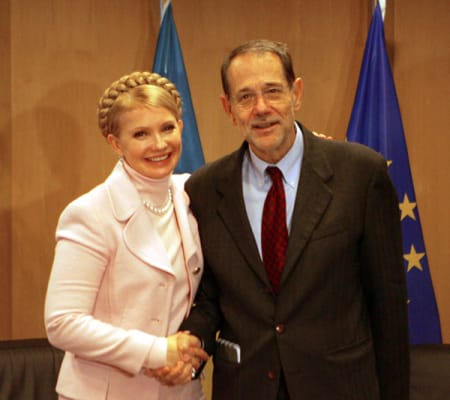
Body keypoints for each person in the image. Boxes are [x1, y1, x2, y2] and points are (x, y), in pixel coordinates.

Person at [168, 39, 409, 399]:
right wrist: (191, 342)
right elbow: (210, 296)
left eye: (273, 91)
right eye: (245, 97)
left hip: (340, 387)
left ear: (296, 94)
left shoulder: (360, 174)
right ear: (229, 108)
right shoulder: (204, 189)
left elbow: (388, 305)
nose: (261, 108)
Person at [44, 71, 208, 400]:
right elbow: (63, 323)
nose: (159, 144)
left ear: (181, 127)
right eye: (141, 134)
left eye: (167, 128)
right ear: (115, 143)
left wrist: (187, 361)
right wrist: (157, 351)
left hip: (180, 390)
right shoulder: (90, 213)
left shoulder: (194, 194)